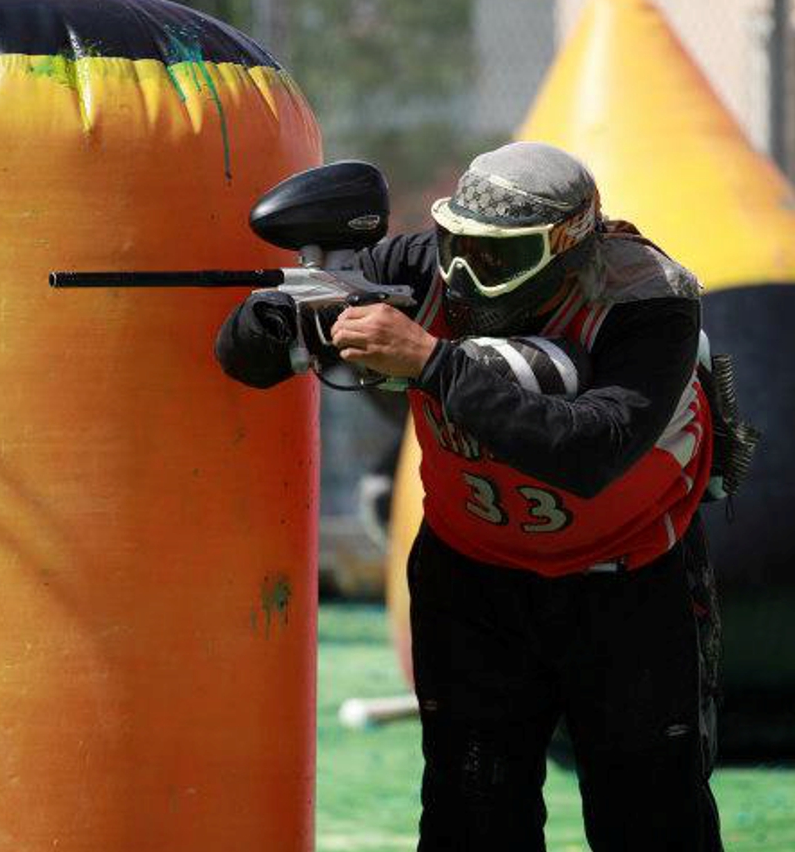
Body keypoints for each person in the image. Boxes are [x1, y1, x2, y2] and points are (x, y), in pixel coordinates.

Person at [215, 141, 725, 852]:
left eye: (493, 257)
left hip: (630, 586)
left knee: (650, 816)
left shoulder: (648, 298)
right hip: (473, 581)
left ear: (565, 249)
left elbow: (588, 451)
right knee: (470, 814)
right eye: (454, 241)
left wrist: (429, 360)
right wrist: (276, 319)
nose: (458, 272)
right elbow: (242, 358)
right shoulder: (417, 268)